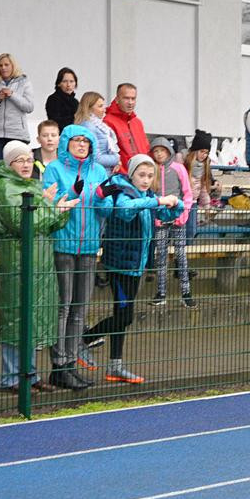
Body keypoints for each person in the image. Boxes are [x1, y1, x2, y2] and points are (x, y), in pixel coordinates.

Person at [0, 141, 77, 394]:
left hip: (42, 259)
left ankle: (30, 374)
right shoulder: (3, 187)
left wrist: (58, 211)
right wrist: (50, 208)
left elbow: (48, 224)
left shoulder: (34, 186)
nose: (25, 164)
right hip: (19, 258)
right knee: (17, 317)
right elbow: (21, 222)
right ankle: (12, 377)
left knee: (35, 316)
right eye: (19, 160)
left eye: (28, 159)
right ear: (8, 163)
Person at [84, 155, 183, 384]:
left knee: (122, 316)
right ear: (132, 174)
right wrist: (158, 201)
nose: (146, 180)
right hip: (119, 264)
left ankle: (115, 365)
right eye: (141, 175)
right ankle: (83, 339)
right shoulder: (123, 191)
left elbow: (164, 215)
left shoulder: (147, 195)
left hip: (137, 264)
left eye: (150, 176)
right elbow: (126, 210)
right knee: (125, 316)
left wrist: (175, 206)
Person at [42, 124, 110, 390]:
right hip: (63, 245)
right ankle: (59, 366)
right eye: (77, 141)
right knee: (63, 308)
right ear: (67, 143)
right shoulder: (55, 169)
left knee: (80, 309)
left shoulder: (99, 170)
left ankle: (71, 363)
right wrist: (73, 193)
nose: (82, 145)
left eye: (86, 141)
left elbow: (103, 210)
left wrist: (107, 198)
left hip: (90, 247)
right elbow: (51, 204)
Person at [147, 136, 195, 308]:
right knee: (160, 256)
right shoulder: (151, 170)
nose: (159, 154)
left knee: (181, 255)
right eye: (156, 151)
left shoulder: (178, 168)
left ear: (169, 151)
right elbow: (150, 195)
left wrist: (184, 213)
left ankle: (186, 291)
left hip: (178, 219)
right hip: (160, 219)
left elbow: (187, 193)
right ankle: (161, 292)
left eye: (162, 150)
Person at [0, 53, 34, 167]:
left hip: (17, 133)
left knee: (16, 169)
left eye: (6, 64)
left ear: (13, 66)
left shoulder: (24, 82)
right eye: (0, 65)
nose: (3, 68)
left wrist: (12, 95)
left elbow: (29, 107)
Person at [103, 83, 150, 172]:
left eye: (133, 98)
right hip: (121, 177)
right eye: (126, 98)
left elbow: (146, 149)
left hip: (141, 176)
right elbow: (108, 153)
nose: (130, 102)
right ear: (117, 99)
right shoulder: (108, 122)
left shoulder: (137, 122)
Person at [75, 91, 120, 171]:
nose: (104, 109)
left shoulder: (97, 124)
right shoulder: (89, 126)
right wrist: (116, 159)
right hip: (96, 174)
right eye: (100, 106)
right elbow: (95, 158)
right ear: (89, 108)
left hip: (103, 171)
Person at [45, 67, 78, 133]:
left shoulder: (76, 102)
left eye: (71, 81)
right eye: (65, 81)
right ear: (59, 83)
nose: (68, 85)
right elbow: (55, 121)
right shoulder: (53, 99)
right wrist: (75, 117)